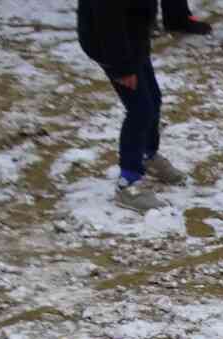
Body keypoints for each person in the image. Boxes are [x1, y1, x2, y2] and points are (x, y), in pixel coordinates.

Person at [76, 0, 188, 213]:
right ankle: (127, 182)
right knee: (140, 110)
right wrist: (122, 68)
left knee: (153, 99)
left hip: (133, 38)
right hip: (112, 49)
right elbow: (107, 24)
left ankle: (148, 155)